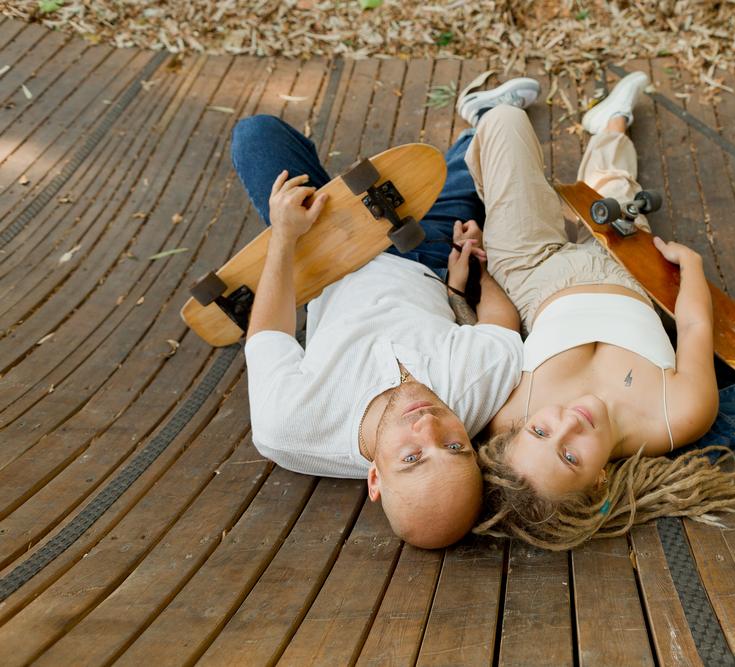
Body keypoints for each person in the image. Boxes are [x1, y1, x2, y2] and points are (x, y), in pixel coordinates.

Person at [228, 77, 539, 549]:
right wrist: (476, 269)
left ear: (375, 480)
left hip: (323, 260)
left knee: (255, 135)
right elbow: (501, 325)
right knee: (463, 165)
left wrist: (284, 235)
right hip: (426, 252)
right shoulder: (476, 392)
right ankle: (479, 116)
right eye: (455, 448)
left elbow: (267, 332)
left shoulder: (289, 426)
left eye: (412, 457)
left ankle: (323, 191)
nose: (429, 425)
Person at [460, 72, 735, 550]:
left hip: (533, 274)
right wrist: (693, 271)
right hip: (631, 276)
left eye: (540, 430)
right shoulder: (677, 415)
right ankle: (610, 122)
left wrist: (480, 269)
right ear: (599, 482)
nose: (566, 423)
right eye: (570, 457)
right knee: (615, 188)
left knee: (505, 122)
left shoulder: (505, 416)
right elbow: (694, 324)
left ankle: (480, 122)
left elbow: (498, 328)